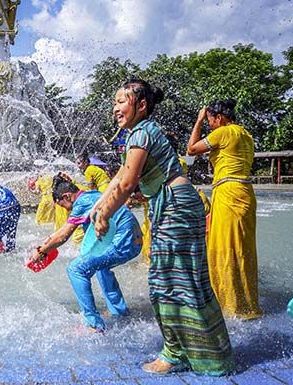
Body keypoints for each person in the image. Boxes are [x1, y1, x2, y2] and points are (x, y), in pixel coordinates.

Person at [93, 79, 233, 375]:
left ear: (141, 105)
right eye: (115, 102)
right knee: (184, 280)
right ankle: (207, 353)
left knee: (165, 283)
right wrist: (98, 205)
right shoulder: (139, 133)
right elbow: (121, 175)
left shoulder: (141, 133)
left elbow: (129, 184)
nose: (115, 107)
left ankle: (175, 353)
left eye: (122, 101)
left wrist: (105, 215)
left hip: (175, 206)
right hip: (176, 203)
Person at [31, 174, 142, 332]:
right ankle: (119, 312)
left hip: (123, 241)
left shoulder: (81, 203)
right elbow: (62, 233)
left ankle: (93, 324)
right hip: (134, 240)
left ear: (67, 196)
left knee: (76, 269)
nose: (67, 210)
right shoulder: (92, 195)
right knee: (101, 267)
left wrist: (41, 252)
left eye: (64, 206)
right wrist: (47, 243)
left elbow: (64, 235)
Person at [186, 99, 262, 320]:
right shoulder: (245, 134)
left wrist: (198, 121)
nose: (209, 124)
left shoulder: (224, 131)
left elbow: (191, 150)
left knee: (224, 248)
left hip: (229, 193)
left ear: (219, 117)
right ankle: (247, 302)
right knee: (243, 249)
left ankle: (230, 306)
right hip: (245, 193)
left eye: (210, 119)